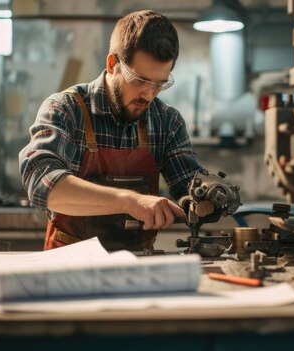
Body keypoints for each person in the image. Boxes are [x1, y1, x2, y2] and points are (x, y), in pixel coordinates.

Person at [19, 10, 205, 251]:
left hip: (138, 266)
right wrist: (130, 201)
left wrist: (208, 195)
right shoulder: (64, 110)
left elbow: (190, 186)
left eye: (159, 84)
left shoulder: (166, 121)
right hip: (68, 267)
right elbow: (43, 184)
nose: (148, 95)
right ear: (112, 64)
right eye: (140, 80)